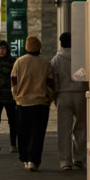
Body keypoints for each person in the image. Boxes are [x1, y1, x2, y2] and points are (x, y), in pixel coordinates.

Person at [11, 34, 56, 170]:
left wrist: (16, 97)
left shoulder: (19, 62)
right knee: (37, 134)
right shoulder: (45, 64)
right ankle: (33, 161)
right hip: (40, 104)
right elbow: (50, 86)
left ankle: (24, 158)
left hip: (23, 103)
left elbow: (13, 82)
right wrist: (49, 99)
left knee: (23, 133)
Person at [50, 31, 86, 171]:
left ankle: (65, 161)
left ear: (61, 43)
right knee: (81, 127)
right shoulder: (81, 58)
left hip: (63, 96)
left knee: (64, 130)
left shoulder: (56, 59)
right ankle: (79, 159)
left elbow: (53, 80)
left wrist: (54, 97)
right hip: (81, 94)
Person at [0, 40, 19, 152]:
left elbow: (17, 79)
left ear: (7, 49)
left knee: (13, 121)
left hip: (10, 97)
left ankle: (13, 144)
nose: (1, 51)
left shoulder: (13, 62)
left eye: (3, 49)